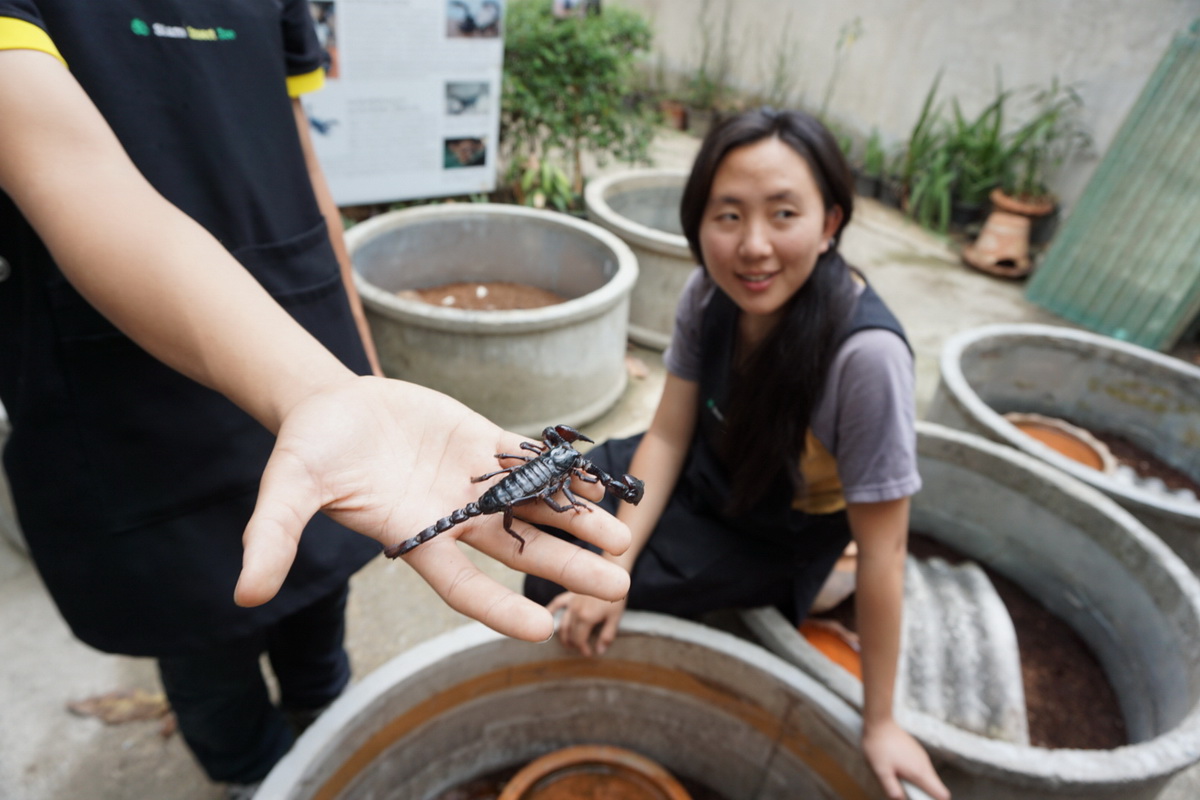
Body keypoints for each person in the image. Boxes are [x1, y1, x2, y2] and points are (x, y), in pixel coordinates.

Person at [0, 3, 630, 797]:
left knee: (317, 615)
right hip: (126, 404)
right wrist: (324, 387)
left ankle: (330, 732)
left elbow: (302, 163)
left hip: (314, 340)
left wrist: (359, 370)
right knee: (206, 648)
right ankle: (252, 776)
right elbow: (75, 174)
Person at [524, 108, 951, 800]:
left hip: (771, 531)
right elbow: (665, 434)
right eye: (728, 217)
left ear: (831, 222)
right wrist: (615, 566)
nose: (753, 247)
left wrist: (880, 723)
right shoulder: (707, 293)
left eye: (784, 214)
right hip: (697, 470)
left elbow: (887, 550)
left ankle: (813, 588)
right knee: (548, 520)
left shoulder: (866, 357)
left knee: (555, 590)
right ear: (698, 222)